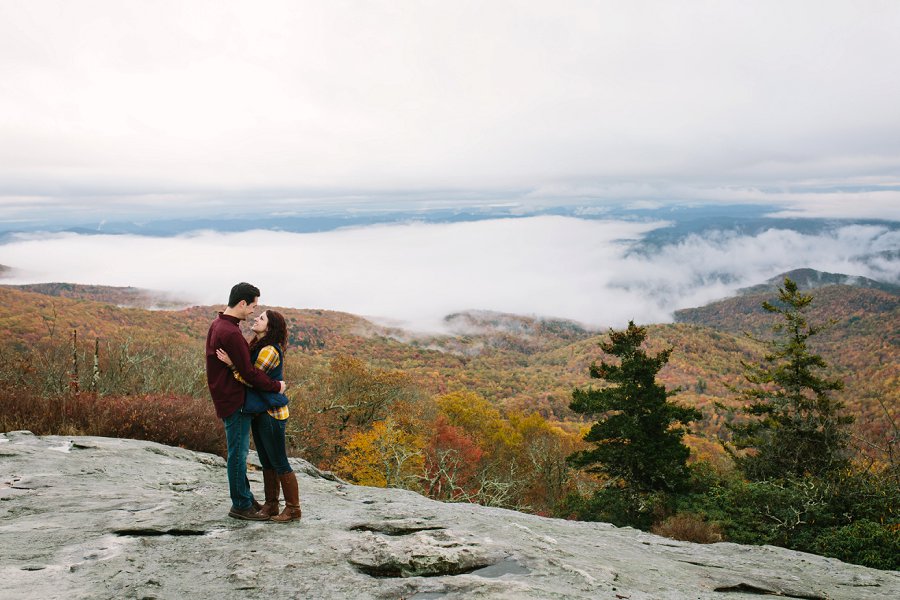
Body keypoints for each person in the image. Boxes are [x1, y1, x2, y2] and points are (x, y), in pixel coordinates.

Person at [206, 282, 286, 521]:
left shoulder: (218, 324)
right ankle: (241, 505)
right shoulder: (231, 333)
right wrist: (277, 387)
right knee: (239, 455)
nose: (253, 311)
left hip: (226, 396)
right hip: (235, 400)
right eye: (253, 306)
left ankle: (246, 498)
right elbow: (250, 373)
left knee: (237, 452)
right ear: (242, 303)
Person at [217, 309, 302, 522]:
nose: (256, 318)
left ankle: (293, 509)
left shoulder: (270, 351)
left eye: (261, 318)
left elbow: (252, 378)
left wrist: (232, 366)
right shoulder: (258, 345)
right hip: (261, 410)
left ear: (270, 327)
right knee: (266, 460)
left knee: (279, 460)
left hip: (273, 412)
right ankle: (272, 505)